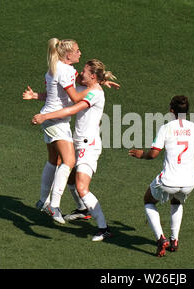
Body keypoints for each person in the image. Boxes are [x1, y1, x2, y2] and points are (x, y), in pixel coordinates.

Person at [32, 59, 116, 241]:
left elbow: (72, 110)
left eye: (84, 71)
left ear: (92, 76)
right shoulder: (83, 88)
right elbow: (59, 97)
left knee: (81, 186)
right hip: (77, 142)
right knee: (70, 180)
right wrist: (36, 96)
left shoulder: (95, 94)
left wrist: (45, 116)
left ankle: (104, 227)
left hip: (89, 145)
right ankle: (83, 209)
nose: (79, 72)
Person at [22, 38, 91, 224]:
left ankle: (43, 201)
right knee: (69, 161)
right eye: (77, 50)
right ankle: (54, 205)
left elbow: (53, 96)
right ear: (68, 54)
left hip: (51, 119)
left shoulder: (55, 68)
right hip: (55, 121)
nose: (80, 53)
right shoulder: (65, 70)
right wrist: (95, 88)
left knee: (55, 160)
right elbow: (75, 98)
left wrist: (35, 95)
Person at [128, 95, 194, 257]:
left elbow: (154, 154)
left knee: (148, 201)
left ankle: (161, 239)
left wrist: (141, 154)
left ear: (171, 111)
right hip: (189, 181)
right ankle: (174, 240)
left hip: (169, 180)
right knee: (177, 200)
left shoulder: (166, 128)